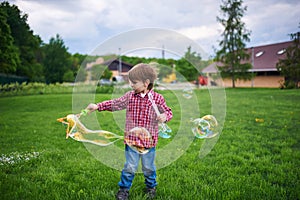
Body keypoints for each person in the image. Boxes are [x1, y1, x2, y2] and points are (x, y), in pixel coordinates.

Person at [86, 63, 173, 200]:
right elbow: (115, 103)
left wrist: (164, 116)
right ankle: (124, 189)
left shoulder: (157, 98)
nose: (131, 85)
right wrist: (98, 106)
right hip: (132, 140)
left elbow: (168, 112)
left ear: (146, 83)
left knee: (148, 167)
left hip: (149, 141)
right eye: (130, 82)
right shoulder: (130, 96)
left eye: (134, 82)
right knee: (130, 166)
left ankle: (151, 187)